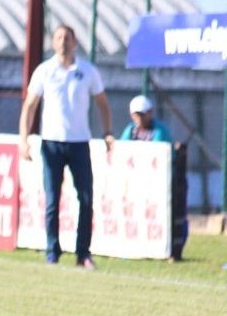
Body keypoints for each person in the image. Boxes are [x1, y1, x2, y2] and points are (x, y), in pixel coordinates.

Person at [19, 24, 114, 270]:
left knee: (85, 199)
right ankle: (52, 251)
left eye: (68, 38)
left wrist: (108, 132)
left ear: (75, 42)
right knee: (52, 199)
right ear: (53, 43)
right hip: (51, 143)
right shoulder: (44, 71)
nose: (63, 42)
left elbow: (102, 102)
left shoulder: (87, 71)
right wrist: (23, 138)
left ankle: (83, 253)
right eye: (59, 38)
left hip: (80, 143)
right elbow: (30, 105)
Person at [120, 94, 187, 261]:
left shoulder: (159, 130)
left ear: (150, 113)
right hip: (138, 183)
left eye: (142, 114)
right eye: (136, 114)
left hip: (161, 183)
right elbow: (123, 150)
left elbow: (156, 153)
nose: (139, 118)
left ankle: (171, 250)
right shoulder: (130, 130)